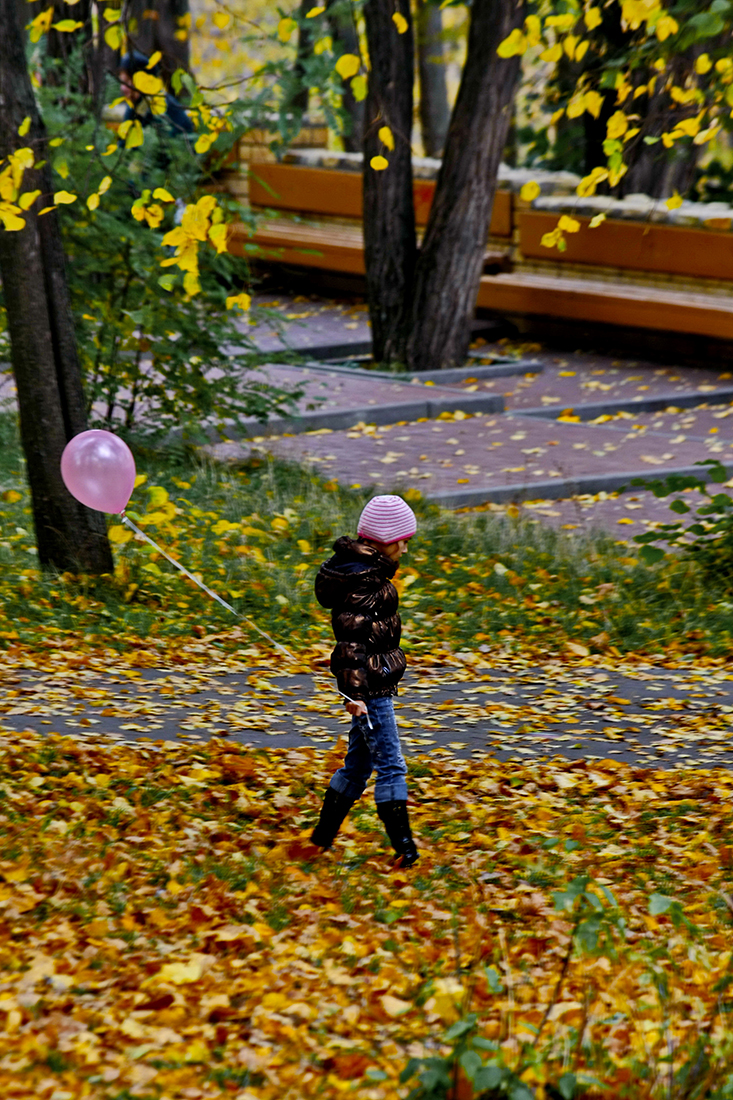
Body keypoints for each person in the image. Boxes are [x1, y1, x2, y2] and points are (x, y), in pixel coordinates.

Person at [311, 495, 419, 867]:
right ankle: (405, 850)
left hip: (374, 681)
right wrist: (353, 693)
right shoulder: (365, 581)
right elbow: (351, 640)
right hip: (371, 690)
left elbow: (358, 639)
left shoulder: (365, 574)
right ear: (380, 540)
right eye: (401, 540)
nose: (405, 547)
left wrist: (346, 672)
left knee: (357, 768)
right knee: (391, 765)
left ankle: (320, 840)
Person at [118, 51, 194, 139]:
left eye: (127, 82)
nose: (123, 88)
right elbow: (124, 144)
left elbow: (181, 140)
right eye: (122, 82)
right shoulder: (133, 107)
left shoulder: (164, 105)